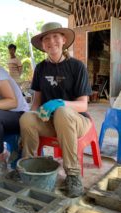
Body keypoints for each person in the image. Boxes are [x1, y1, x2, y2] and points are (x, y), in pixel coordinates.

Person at [19, 22, 92, 198]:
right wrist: (32, 118)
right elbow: (36, 103)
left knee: (62, 112)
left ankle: (73, 175)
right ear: (42, 45)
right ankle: (28, 167)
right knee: (26, 118)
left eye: (55, 36)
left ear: (64, 39)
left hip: (78, 121)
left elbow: (83, 105)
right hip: (51, 122)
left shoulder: (77, 66)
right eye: (46, 39)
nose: (51, 42)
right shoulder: (41, 69)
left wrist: (61, 103)